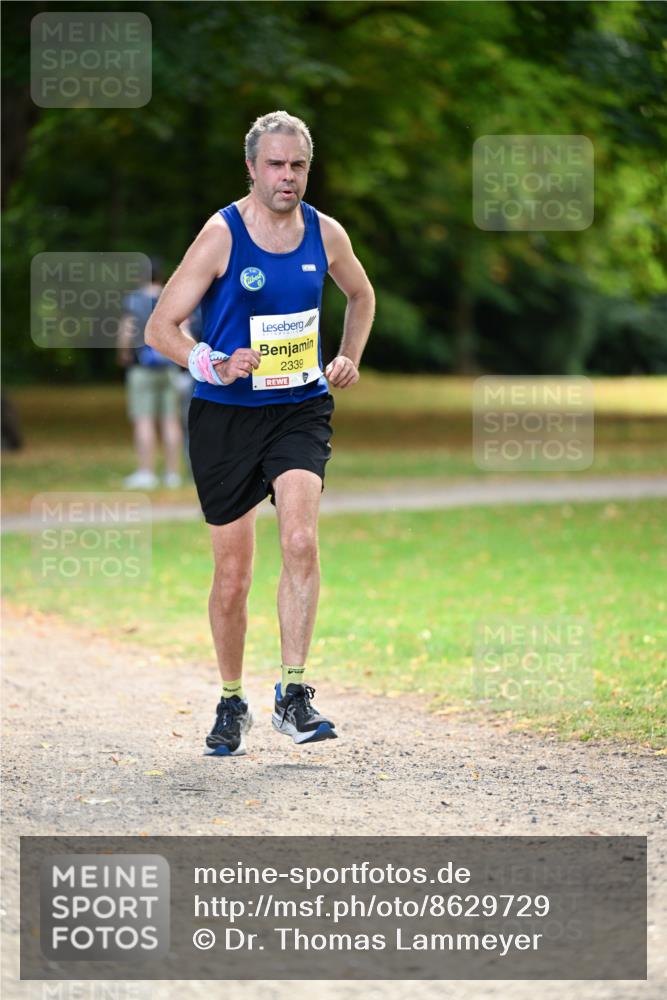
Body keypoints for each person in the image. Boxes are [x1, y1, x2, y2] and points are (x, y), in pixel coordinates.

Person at [146, 110, 375, 756]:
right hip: (224, 415)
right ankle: (230, 699)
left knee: (300, 536)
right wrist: (210, 361)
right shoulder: (221, 235)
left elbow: (361, 295)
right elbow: (161, 328)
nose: (287, 177)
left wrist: (349, 355)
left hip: (299, 406)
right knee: (233, 575)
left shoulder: (325, 234)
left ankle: (294, 693)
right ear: (251, 168)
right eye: (274, 164)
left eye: (297, 165)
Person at [118, 257, 184, 489]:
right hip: (169, 366)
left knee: (144, 420)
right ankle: (172, 474)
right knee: (170, 420)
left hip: (142, 367)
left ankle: (146, 473)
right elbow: (183, 329)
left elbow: (126, 330)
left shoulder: (134, 299)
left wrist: (124, 353)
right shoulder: (171, 295)